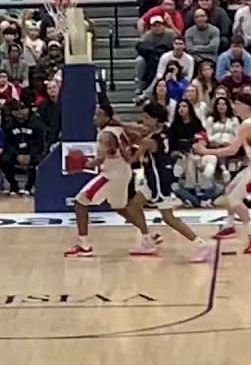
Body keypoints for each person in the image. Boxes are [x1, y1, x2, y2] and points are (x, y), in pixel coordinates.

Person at [65, 103, 161, 258]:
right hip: (123, 171)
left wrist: (83, 164)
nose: (95, 118)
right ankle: (148, 235)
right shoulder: (119, 129)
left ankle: (83, 245)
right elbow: (137, 135)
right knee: (120, 207)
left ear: (106, 117)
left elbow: (99, 160)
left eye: (99, 115)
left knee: (80, 202)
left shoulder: (106, 135)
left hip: (111, 175)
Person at [193, 91, 251, 254]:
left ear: (248, 107)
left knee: (235, 199)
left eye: (238, 104)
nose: (234, 107)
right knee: (229, 190)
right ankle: (230, 226)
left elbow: (232, 150)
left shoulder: (246, 125)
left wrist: (206, 151)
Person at [136, 101, 215, 262]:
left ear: (156, 119)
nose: (143, 121)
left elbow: (137, 152)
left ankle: (201, 244)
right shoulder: (163, 131)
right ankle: (149, 238)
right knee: (132, 204)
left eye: (146, 118)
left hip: (159, 181)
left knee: (169, 217)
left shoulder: (154, 139)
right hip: (153, 178)